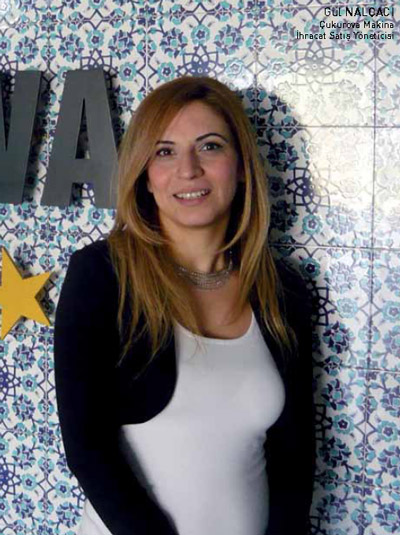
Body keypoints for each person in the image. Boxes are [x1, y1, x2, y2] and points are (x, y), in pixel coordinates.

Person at [54, 76, 315, 535]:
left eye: (210, 146)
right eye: (164, 151)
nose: (188, 170)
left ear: (241, 167)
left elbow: (294, 462)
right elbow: (87, 450)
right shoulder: (102, 275)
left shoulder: (283, 291)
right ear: (145, 175)